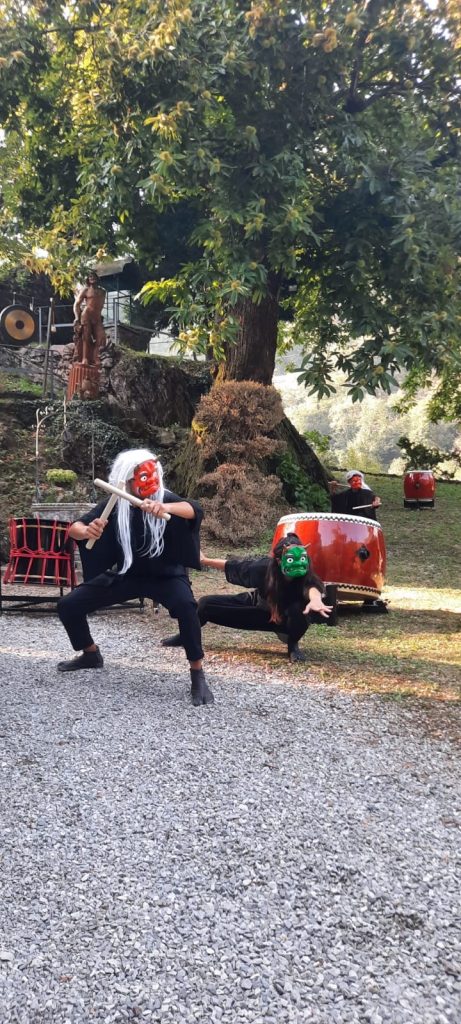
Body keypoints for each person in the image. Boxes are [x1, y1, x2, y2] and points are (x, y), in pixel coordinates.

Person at [56, 448, 214, 707]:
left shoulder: (164, 498)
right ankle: (91, 654)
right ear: (126, 480)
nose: (148, 483)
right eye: (140, 478)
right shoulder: (115, 503)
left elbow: (194, 509)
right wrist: (87, 531)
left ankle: (197, 672)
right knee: (68, 605)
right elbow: (74, 528)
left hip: (166, 576)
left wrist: (164, 507)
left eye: (152, 476)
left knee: (187, 607)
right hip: (126, 574)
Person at [161, 533, 332, 664]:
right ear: (279, 561)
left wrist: (315, 600)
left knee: (299, 610)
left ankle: (293, 645)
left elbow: (312, 587)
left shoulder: (305, 573)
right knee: (205, 604)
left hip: (287, 620)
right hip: (261, 610)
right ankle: (186, 635)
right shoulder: (264, 568)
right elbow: (235, 566)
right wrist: (205, 561)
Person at [73, 270, 107, 366]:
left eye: (94, 276)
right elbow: (76, 304)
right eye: (90, 277)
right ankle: (85, 358)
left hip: (97, 317)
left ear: (97, 278)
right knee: (86, 337)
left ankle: (95, 357)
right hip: (87, 314)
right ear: (88, 279)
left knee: (101, 337)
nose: (92, 278)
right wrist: (77, 317)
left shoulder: (103, 292)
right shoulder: (86, 290)